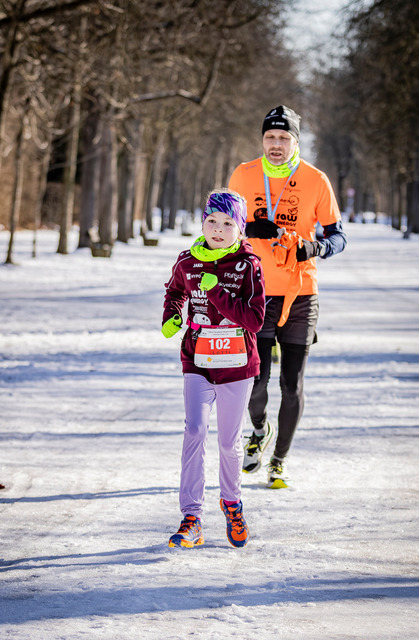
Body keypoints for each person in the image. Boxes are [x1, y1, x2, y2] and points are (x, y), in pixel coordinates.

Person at [229, 105, 347, 488]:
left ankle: (279, 460)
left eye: (283, 137)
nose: (276, 144)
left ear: (296, 142)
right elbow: (222, 228)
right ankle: (259, 430)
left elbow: (338, 236)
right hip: (255, 293)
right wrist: (248, 228)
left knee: (291, 385)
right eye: (270, 137)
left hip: (301, 294)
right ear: (262, 139)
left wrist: (316, 248)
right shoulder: (243, 175)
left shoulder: (316, 180)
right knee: (255, 381)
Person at [162, 189, 265, 548]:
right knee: (194, 430)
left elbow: (255, 320)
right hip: (198, 360)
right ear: (202, 222)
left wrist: (218, 292)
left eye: (227, 223)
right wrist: (172, 315)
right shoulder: (187, 261)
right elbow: (175, 292)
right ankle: (191, 517)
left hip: (237, 365)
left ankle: (232, 504)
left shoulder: (248, 264)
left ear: (240, 228)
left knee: (228, 441)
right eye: (211, 221)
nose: (218, 230)